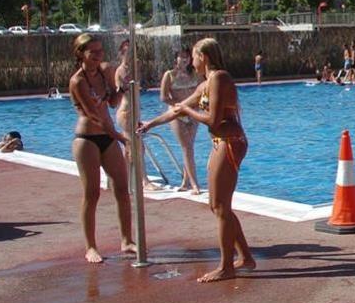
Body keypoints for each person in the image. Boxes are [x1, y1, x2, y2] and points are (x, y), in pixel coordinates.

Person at [140, 38, 256, 283]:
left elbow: (212, 120)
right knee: (217, 205)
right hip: (221, 142)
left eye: (193, 56)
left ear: (203, 56)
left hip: (230, 142)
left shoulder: (219, 79)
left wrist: (187, 112)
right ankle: (245, 257)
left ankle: (226, 266)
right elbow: (178, 108)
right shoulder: (206, 84)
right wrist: (150, 124)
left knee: (220, 205)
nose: (191, 62)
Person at [68, 33, 135, 263]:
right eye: (93, 52)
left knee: (122, 189)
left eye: (100, 51)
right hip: (87, 138)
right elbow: (93, 115)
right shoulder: (78, 81)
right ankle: (91, 247)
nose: (98, 56)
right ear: (81, 54)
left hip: (107, 138)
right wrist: (120, 137)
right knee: (92, 193)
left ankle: (127, 240)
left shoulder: (104, 72)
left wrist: (121, 88)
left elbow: (112, 103)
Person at [114, 40, 156, 191]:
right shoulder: (120, 71)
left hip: (135, 111)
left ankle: (124, 179)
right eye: (127, 52)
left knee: (134, 147)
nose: (131, 55)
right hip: (126, 112)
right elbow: (121, 91)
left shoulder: (135, 68)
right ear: (122, 53)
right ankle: (143, 181)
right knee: (136, 147)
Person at [161, 47, 203, 194]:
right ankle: (194, 183)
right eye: (181, 56)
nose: (184, 59)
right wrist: (179, 105)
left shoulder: (195, 74)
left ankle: (186, 181)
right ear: (175, 59)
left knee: (190, 146)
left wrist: (196, 106)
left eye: (187, 56)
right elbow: (164, 97)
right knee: (187, 147)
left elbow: (202, 91)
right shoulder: (169, 75)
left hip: (192, 112)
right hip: (177, 113)